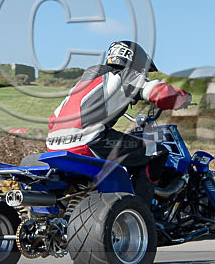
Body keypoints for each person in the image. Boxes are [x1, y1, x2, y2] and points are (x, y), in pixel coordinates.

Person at [45, 40, 191, 202]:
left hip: (54, 145)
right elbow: (160, 93)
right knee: (157, 152)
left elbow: (52, 120)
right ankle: (141, 207)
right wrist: (183, 98)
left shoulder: (84, 81)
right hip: (89, 141)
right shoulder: (124, 75)